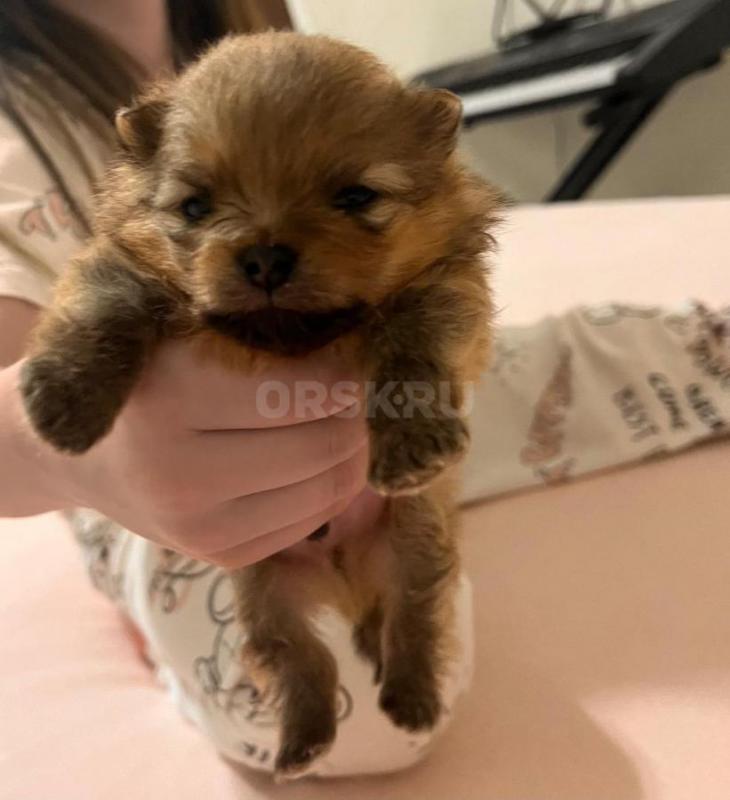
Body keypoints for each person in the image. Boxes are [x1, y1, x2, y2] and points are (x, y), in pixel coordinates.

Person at [0, 0, 475, 777]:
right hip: (161, 484)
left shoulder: (266, 38)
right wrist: (42, 451)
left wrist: (413, 390)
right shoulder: (14, 133)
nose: (265, 252)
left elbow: (447, 283)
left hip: (376, 431)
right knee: (362, 727)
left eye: (352, 200)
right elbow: (106, 287)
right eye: (197, 207)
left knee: (567, 367)